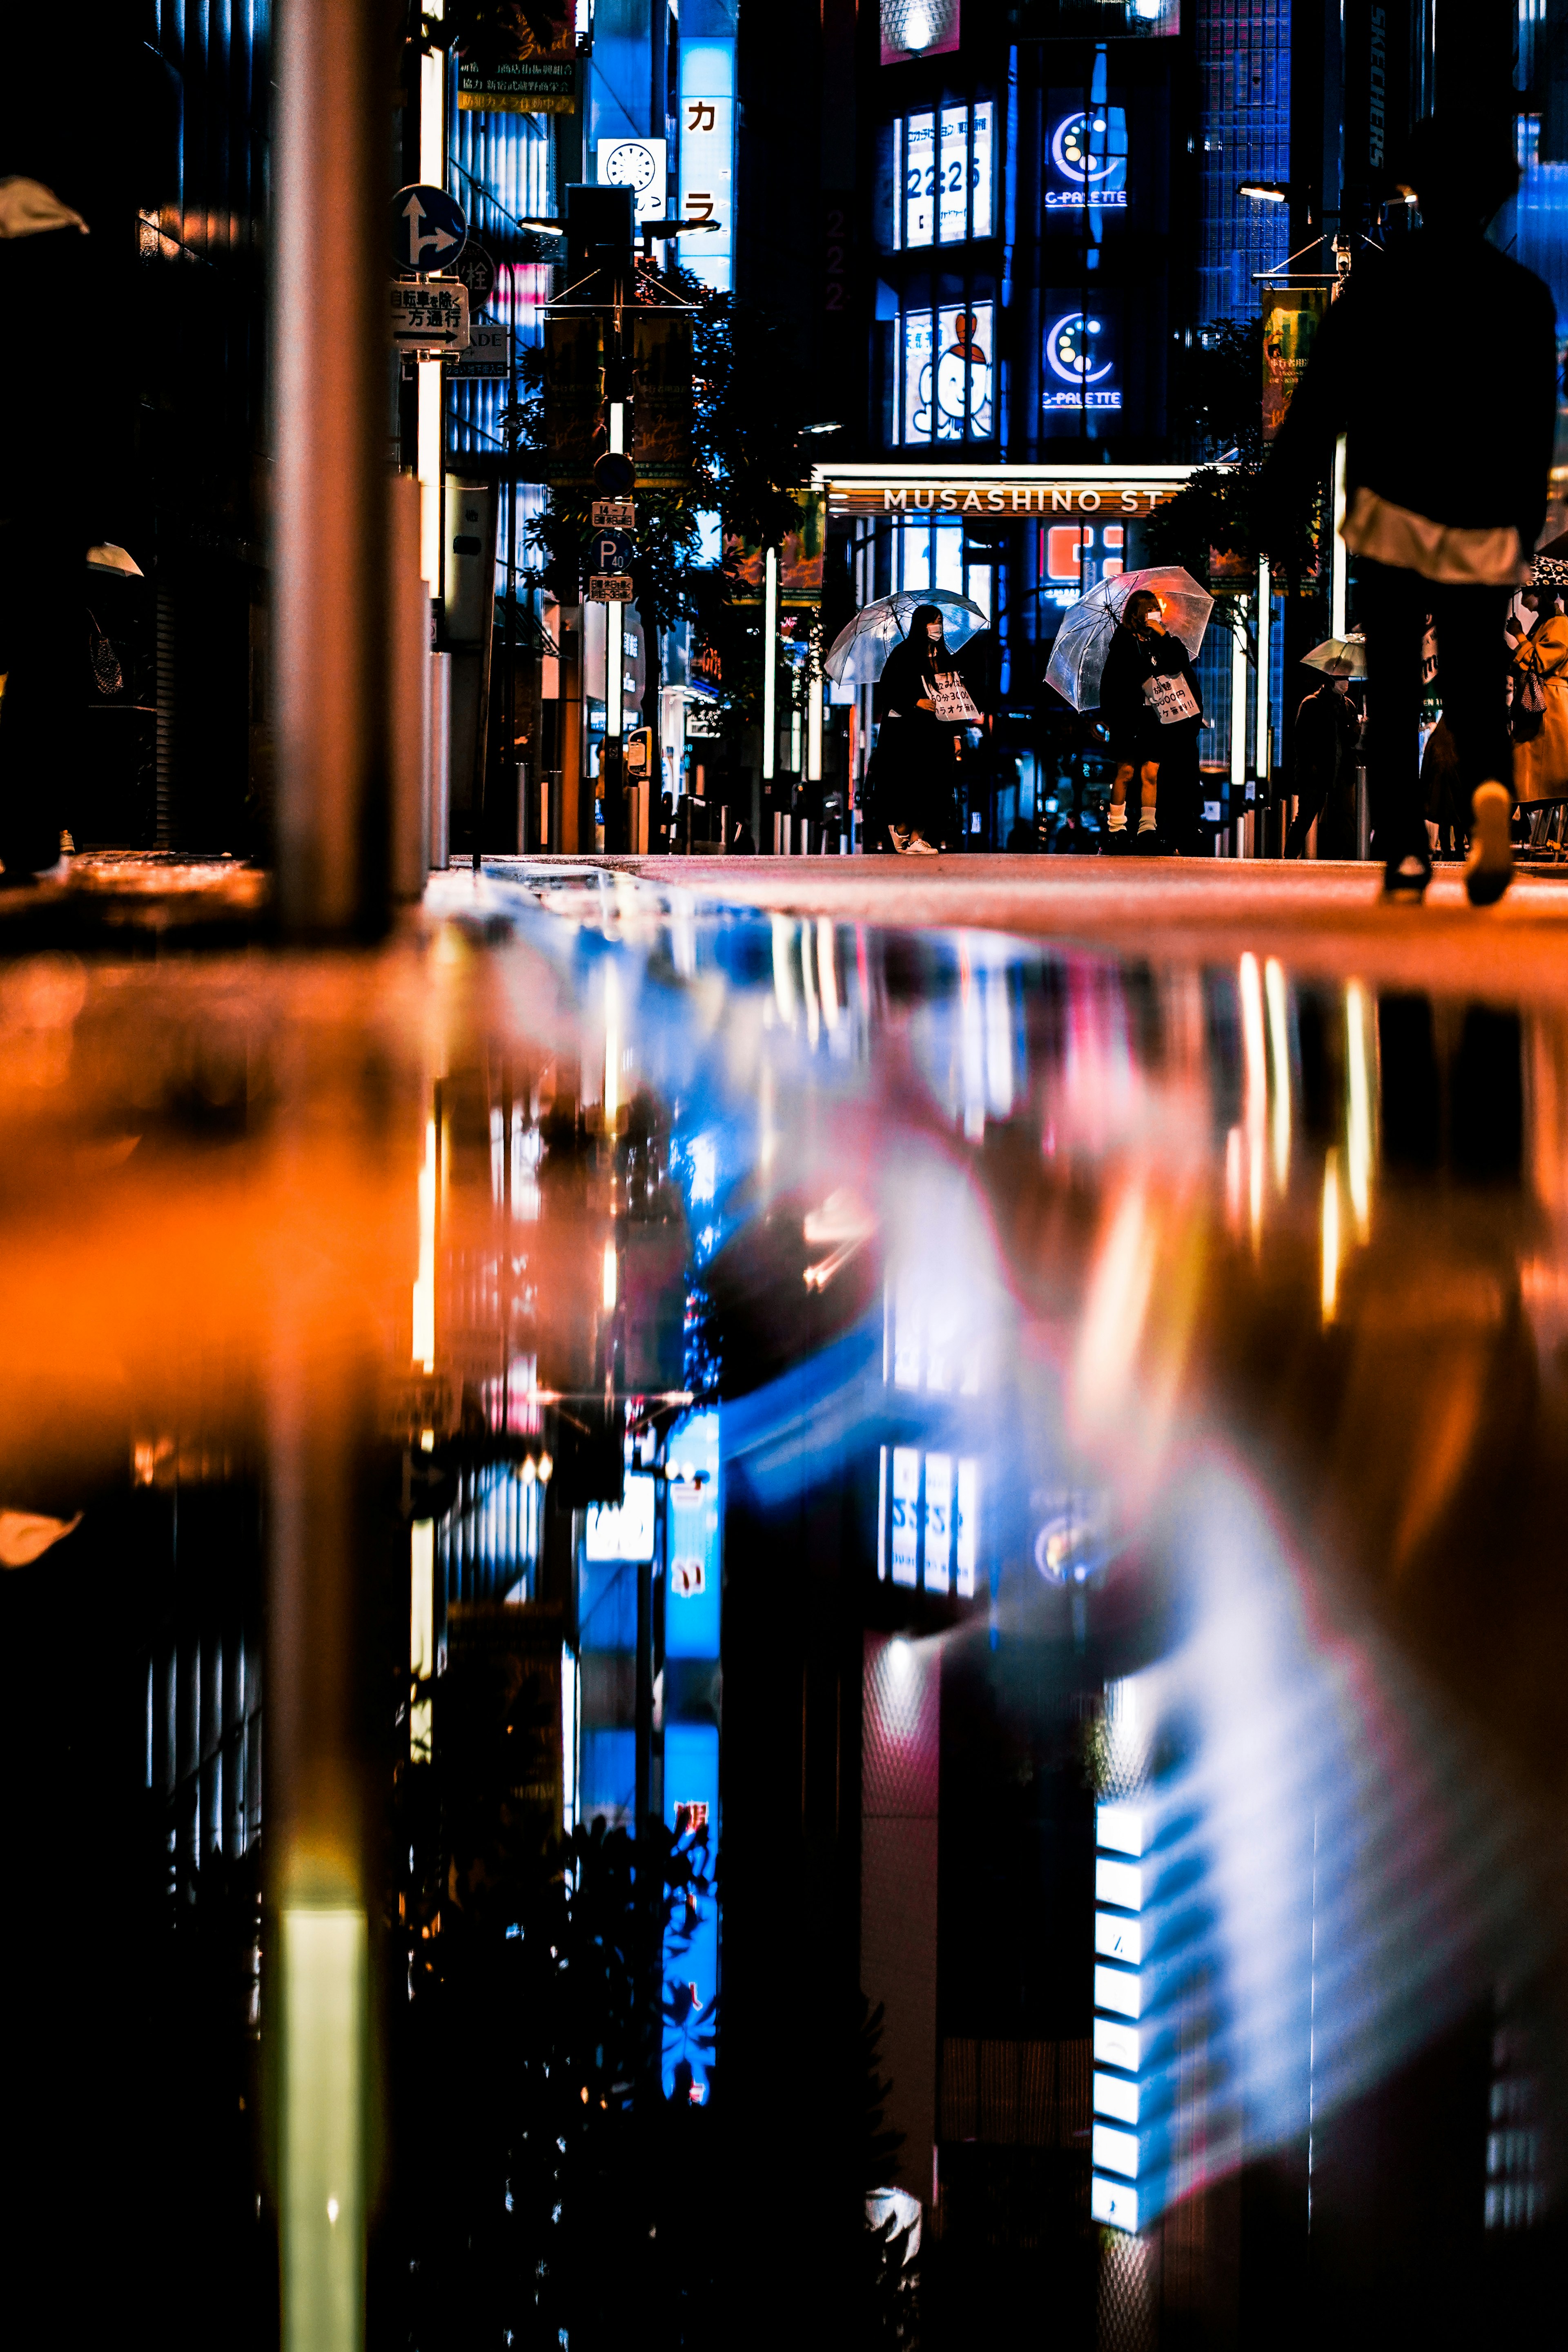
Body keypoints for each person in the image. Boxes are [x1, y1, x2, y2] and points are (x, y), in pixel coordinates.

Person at [1261, 111, 1558, 904]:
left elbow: (1319, 406)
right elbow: (1534, 428)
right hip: (1487, 517)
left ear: (1418, 189)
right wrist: (1522, 526)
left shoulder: (1380, 288)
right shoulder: (1525, 299)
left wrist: (1278, 500)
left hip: (1392, 508)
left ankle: (1405, 849)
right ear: (1497, 196)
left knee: (1392, 685)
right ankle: (1491, 796)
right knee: (1472, 673)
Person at [1095, 588, 1204, 853]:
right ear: (1135, 614)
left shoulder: (1159, 641)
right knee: (1126, 771)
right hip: (1129, 717)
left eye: (1156, 609)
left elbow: (1179, 665)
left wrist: (1162, 635)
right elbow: (1110, 684)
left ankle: (1147, 828)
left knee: (1151, 772)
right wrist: (1109, 717)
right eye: (1148, 610)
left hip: (1155, 718)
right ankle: (1117, 827)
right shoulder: (1122, 644)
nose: (1154, 613)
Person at [873, 604, 962, 854]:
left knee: (935, 785)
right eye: (934, 621)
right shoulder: (903, 655)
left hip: (938, 734)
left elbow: (953, 696)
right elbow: (888, 690)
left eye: (940, 621)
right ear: (922, 625)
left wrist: (956, 736)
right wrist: (915, 701)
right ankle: (902, 829)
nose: (938, 627)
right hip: (908, 735)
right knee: (912, 784)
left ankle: (917, 838)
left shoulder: (945, 657)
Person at [1286, 662, 1362, 856]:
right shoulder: (1312, 703)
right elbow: (1300, 740)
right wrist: (1309, 766)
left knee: (1346, 817)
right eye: (1342, 678)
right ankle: (1289, 857)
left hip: (1342, 772)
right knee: (1306, 816)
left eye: (1348, 678)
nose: (1347, 683)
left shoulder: (1348, 705)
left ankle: (1346, 859)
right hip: (1316, 773)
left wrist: (1356, 727)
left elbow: (1352, 741)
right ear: (1330, 680)